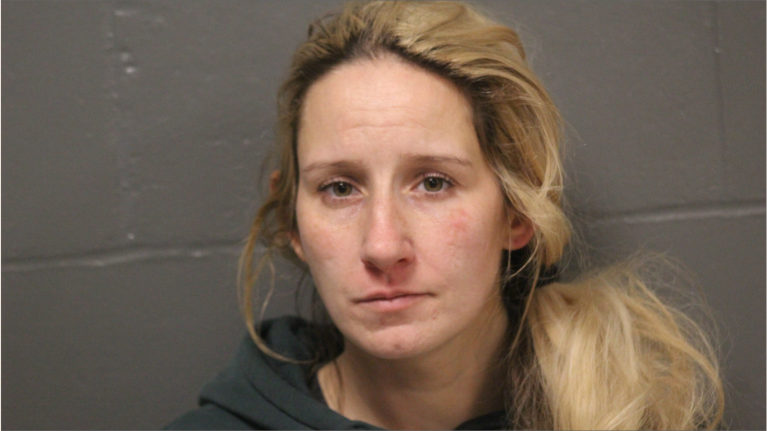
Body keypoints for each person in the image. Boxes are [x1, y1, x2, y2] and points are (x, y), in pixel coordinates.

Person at [166, 1, 724, 429]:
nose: (383, 246)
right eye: (339, 189)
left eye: (433, 183)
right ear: (292, 220)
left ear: (518, 209)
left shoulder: (638, 414)